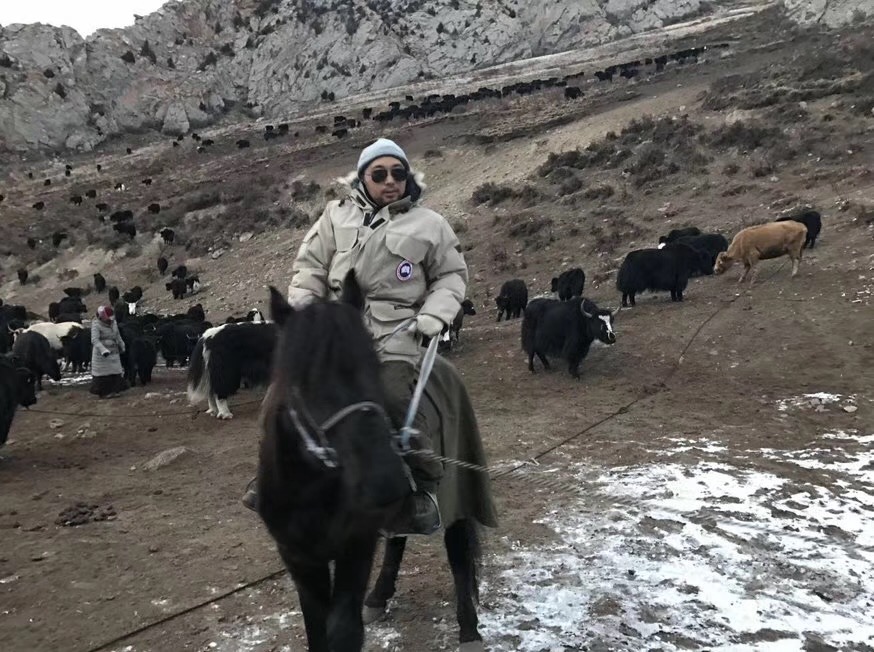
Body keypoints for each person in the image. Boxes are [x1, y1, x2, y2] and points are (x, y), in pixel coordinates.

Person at [242, 138, 468, 536]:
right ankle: (270, 478)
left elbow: (450, 275)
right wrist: (304, 313)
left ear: (408, 177)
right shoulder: (335, 216)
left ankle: (422, 489)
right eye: (378, 174)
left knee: (396, 399)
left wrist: (436, 313)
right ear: (362, 179)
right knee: (278, 400)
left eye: (398, 173)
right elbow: (309, 266)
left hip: (394, 331)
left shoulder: (430, 224)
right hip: (335, 331)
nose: (389, 181)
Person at [89, 305, 128, 399]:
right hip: (102, 355)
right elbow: (95, 340)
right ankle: (104, 392)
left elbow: (117, 335)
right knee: (103, 374)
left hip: (114, 352)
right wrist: (103, 350)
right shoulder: (96, 325)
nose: (109, 320)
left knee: (114, 372)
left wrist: (122, 345)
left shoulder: (113, 323)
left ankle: (114, 390)